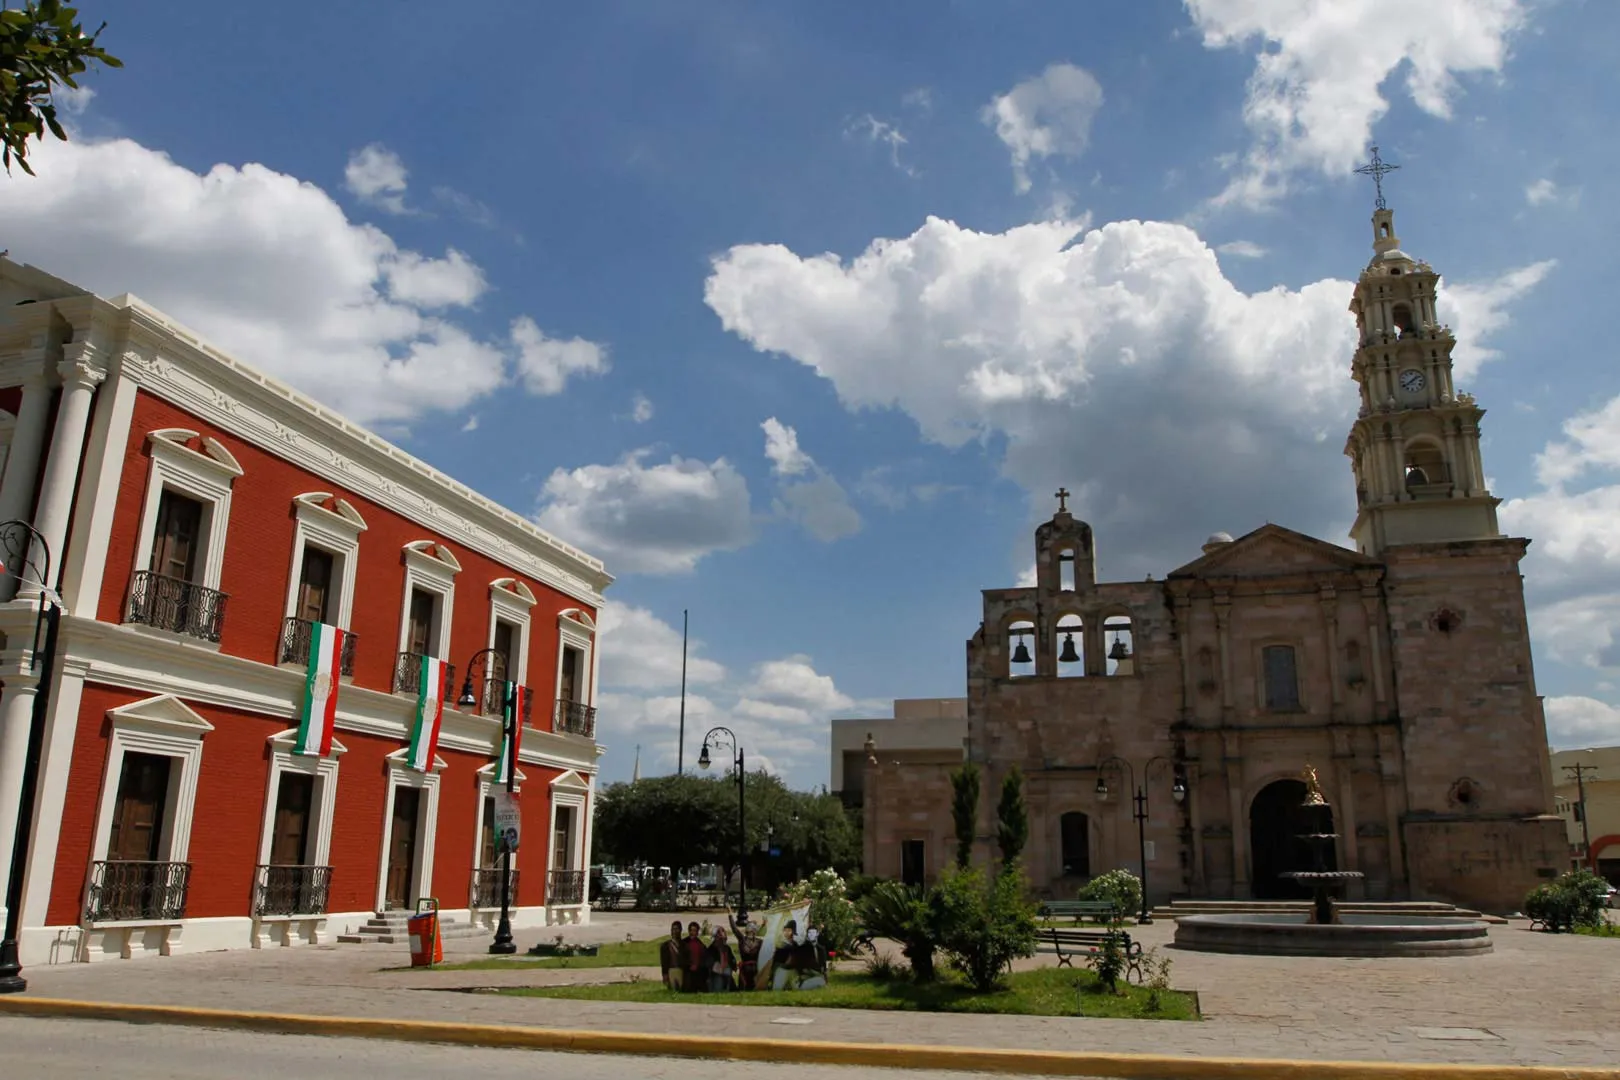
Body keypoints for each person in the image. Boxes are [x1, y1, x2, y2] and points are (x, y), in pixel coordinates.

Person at [707, 927, 737, 992]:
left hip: (727, 974)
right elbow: (710, 964)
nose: (723, 941)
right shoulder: (711, 950)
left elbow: (732, 959)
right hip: (715, 975)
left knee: (728, 971)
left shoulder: (727, 948)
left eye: (724, 939)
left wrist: (734, 964)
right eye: (720, 938)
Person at [681, 921, 707, 992]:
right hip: (687, 969)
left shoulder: (700, 944)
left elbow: (704, 957)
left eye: (695, 931)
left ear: (697, 932)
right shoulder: (684, 943)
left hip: (698, 969)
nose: (692, 932)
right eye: (691, 930)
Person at [659, 920, 684, 992]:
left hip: (681, 970)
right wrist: (664, 974)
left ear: (680, 930)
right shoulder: (665, 946)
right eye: (673, 929)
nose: (675, 931)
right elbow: (663, 962)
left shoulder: (684, 945)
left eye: (677, 929)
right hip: (670, 970)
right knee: (672, 991)